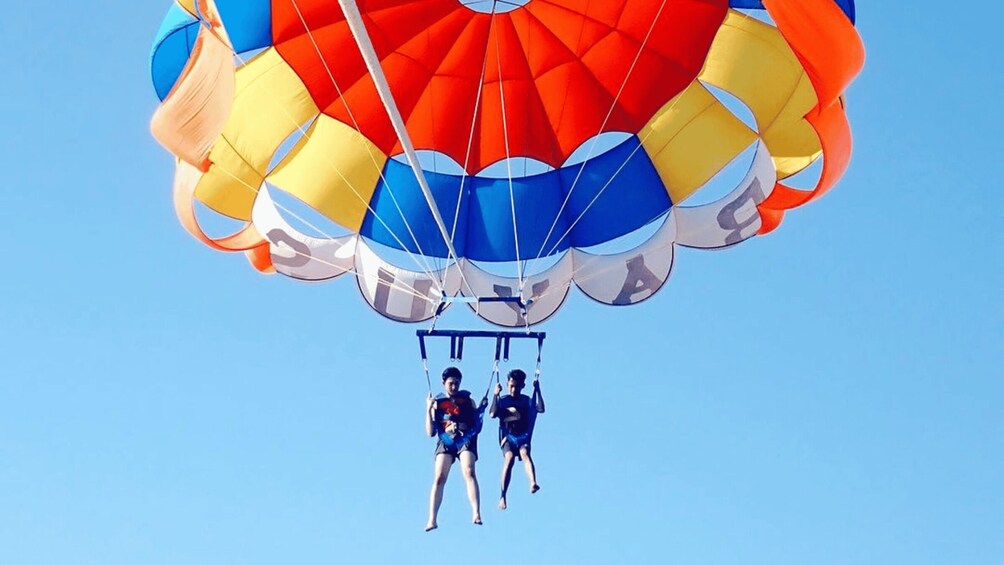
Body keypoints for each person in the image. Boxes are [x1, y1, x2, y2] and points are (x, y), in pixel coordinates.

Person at [425, 366, 487, 531]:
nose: (454, 387)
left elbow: (476, 425)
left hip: (465, 438)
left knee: (469, 471)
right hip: (445, 439)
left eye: (457, 384)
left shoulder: (467, 401)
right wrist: (428, 408)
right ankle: (432, 519)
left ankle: (476, 513)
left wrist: (479, 411)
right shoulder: (437, 403)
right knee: (439, 477)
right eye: (451, 383)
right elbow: (430, 432)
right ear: (444, 383)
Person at [490, 368, 545, 510]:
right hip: (507, 437)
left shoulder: (526, 401)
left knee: (525, 454)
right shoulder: (503, 400)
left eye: (517, 386)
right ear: (507, 384)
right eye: (511, 386)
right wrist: (495, 395)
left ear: (522, 386)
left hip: (523, 437)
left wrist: (537, 390)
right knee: (509, 458)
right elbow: (492, 414)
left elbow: (540, 408)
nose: (514, 389)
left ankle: (532, 482)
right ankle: (503, 496)